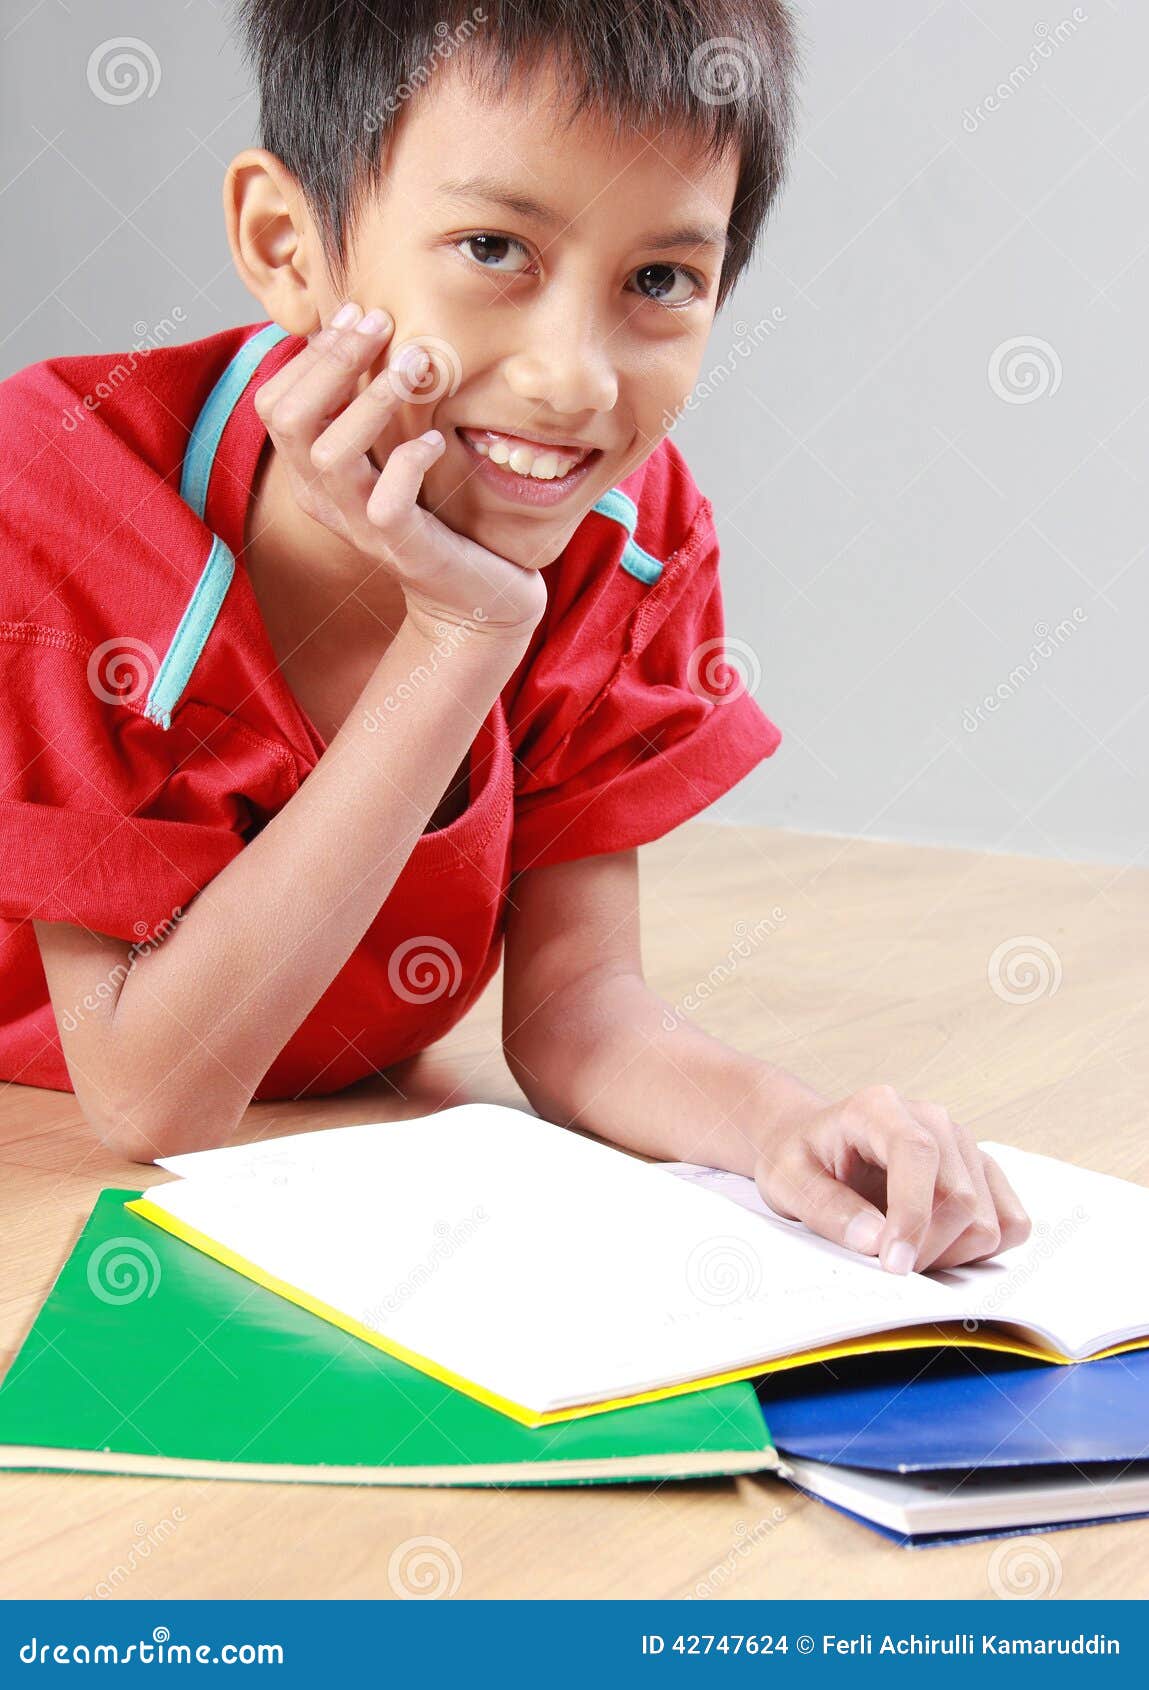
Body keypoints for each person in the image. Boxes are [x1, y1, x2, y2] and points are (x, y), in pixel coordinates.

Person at [0, 0, 1029, 1274]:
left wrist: (785, 1125)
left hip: (322, 1186)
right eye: (495, 247)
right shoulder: (60, 501)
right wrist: (456, 637)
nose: (574, 381)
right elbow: (157, 1101)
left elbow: (574, 1013)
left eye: (660, 280)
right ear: (288, 244)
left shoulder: (626, 536)